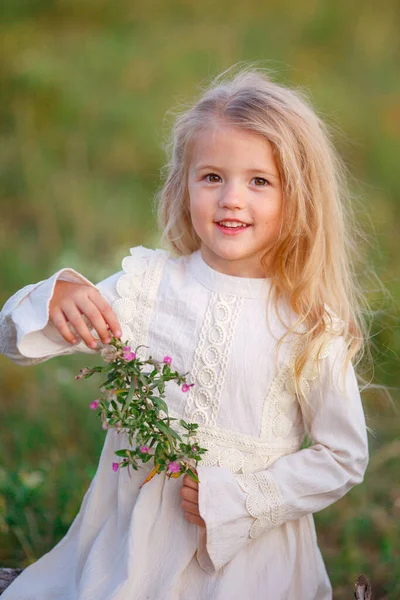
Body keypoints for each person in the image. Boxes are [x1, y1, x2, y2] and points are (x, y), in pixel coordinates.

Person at [0, 67, 369, 600]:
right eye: (212, 177)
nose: (231, 199)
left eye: (259, 181)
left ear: (300, 197)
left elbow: (343, 456)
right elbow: (16, 343)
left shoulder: (309, 324)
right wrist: (54, 297)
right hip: (132, 548)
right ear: (184, 184)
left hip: (248, 560)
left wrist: (244, 498)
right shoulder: (149, 286)